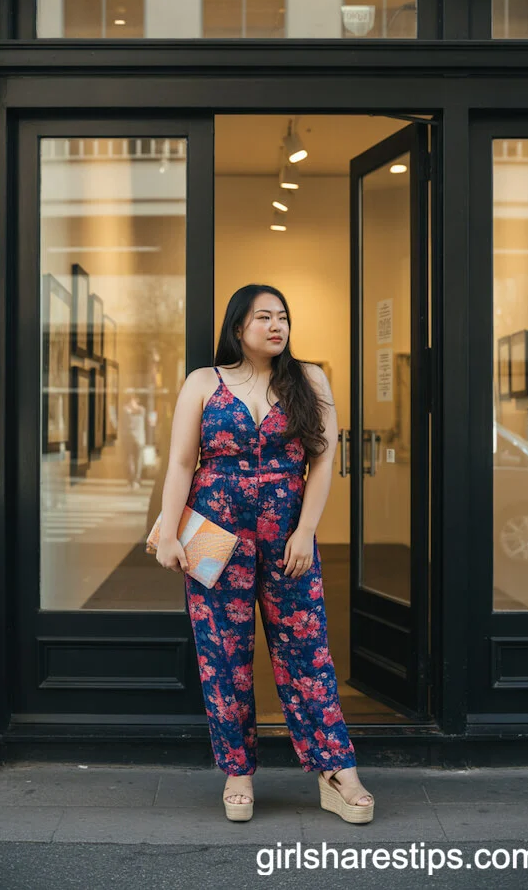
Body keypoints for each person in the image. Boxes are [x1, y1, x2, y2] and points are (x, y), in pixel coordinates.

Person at [156, 284, 374, 824]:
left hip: (285, 534)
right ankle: (237, 771)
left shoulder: (310, 379)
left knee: (306, 650)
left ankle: (336, 771)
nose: (276, 326)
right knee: (223, 654)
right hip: (211, 529)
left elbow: (321, 462)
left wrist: (306, 531)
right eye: (263, 317)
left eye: (283, 317)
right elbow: (184, 463)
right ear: (238, 327)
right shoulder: (203, 383)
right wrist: (166, 531)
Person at [122, 391, 146, 490]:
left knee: (131, 459)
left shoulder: (125, 410)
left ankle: (132, 480)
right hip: (139, 439)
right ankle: (135, 480)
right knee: (136, 460)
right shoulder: (141, 409)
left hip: (130, 438)